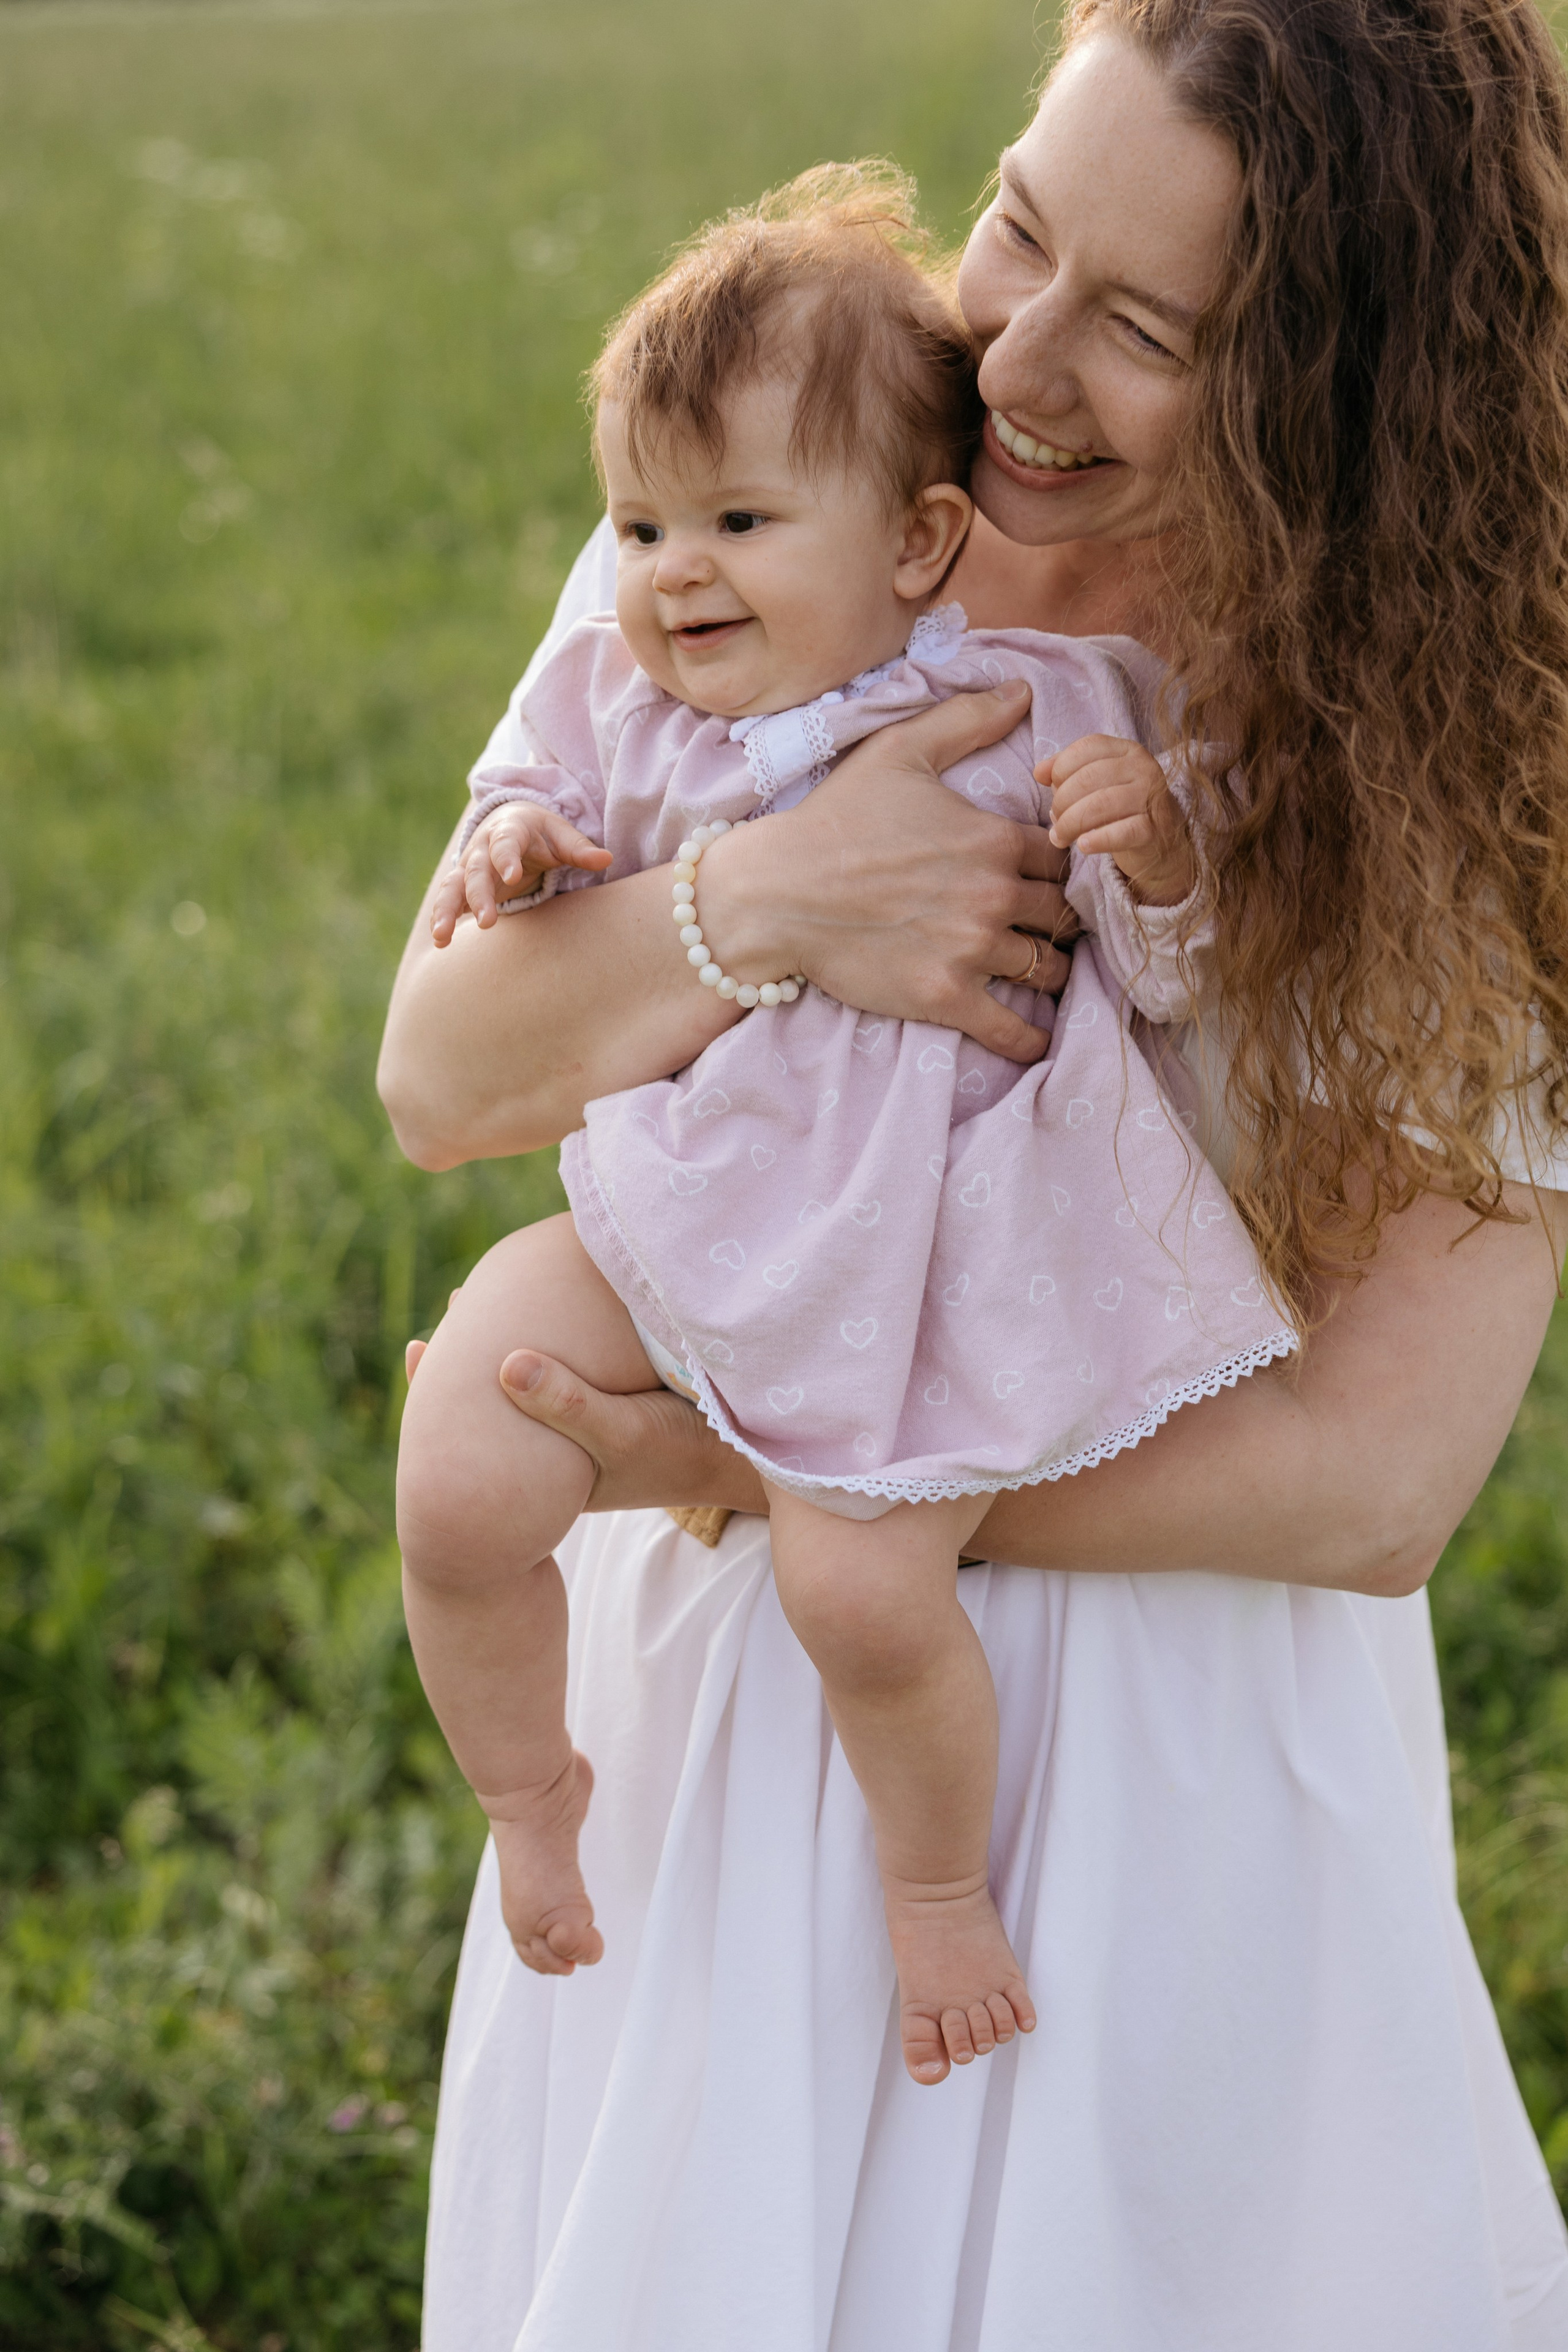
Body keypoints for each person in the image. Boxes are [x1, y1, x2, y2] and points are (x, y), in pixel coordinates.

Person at [379, 0, 1568, 2342]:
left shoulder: (1472, 728)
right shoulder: (780, 477)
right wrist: (766, 903)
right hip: (737, 1708)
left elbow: (1377, 1485)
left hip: (1139, 1754)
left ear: (1328, 392)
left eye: (1145, 332)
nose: (1012, 352)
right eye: (1021, 224)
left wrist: (738, 1454)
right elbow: (442, 1075)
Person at [396, 172, 1297, 2090]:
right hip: (690, 1205)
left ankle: (937, 1890)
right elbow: (497, 900)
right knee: (462, 1459)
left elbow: (1168, 980)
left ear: (916, 541)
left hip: (938, 1242)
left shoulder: (1038, 699)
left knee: (863, 1592)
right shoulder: (629, 691)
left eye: (734, 525)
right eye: (642, 523)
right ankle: (531, 1791)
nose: (672, 571)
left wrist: (1155, 857)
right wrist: (520, 845)